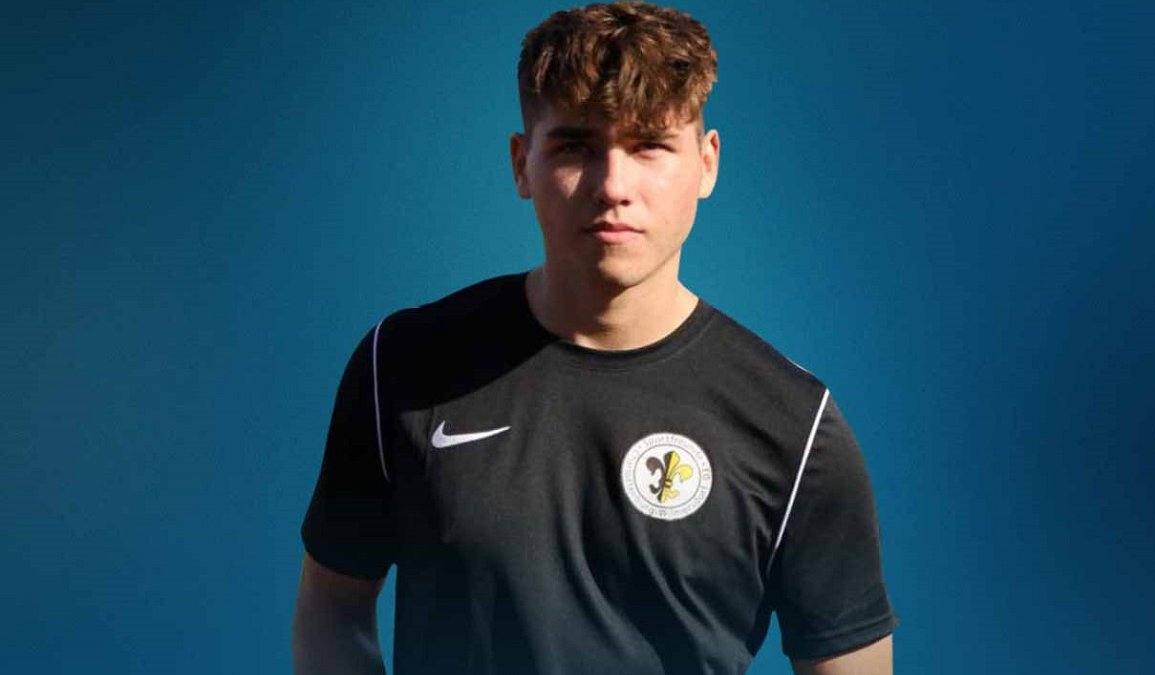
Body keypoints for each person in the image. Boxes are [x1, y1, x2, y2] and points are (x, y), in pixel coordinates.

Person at [292, 2, 897, 673]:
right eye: (575, 147)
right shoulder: (403, 366)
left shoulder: (794, 427)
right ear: (522, 164)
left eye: (649, 145)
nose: (613, 186)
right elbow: (331, 613)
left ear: (706, 163)